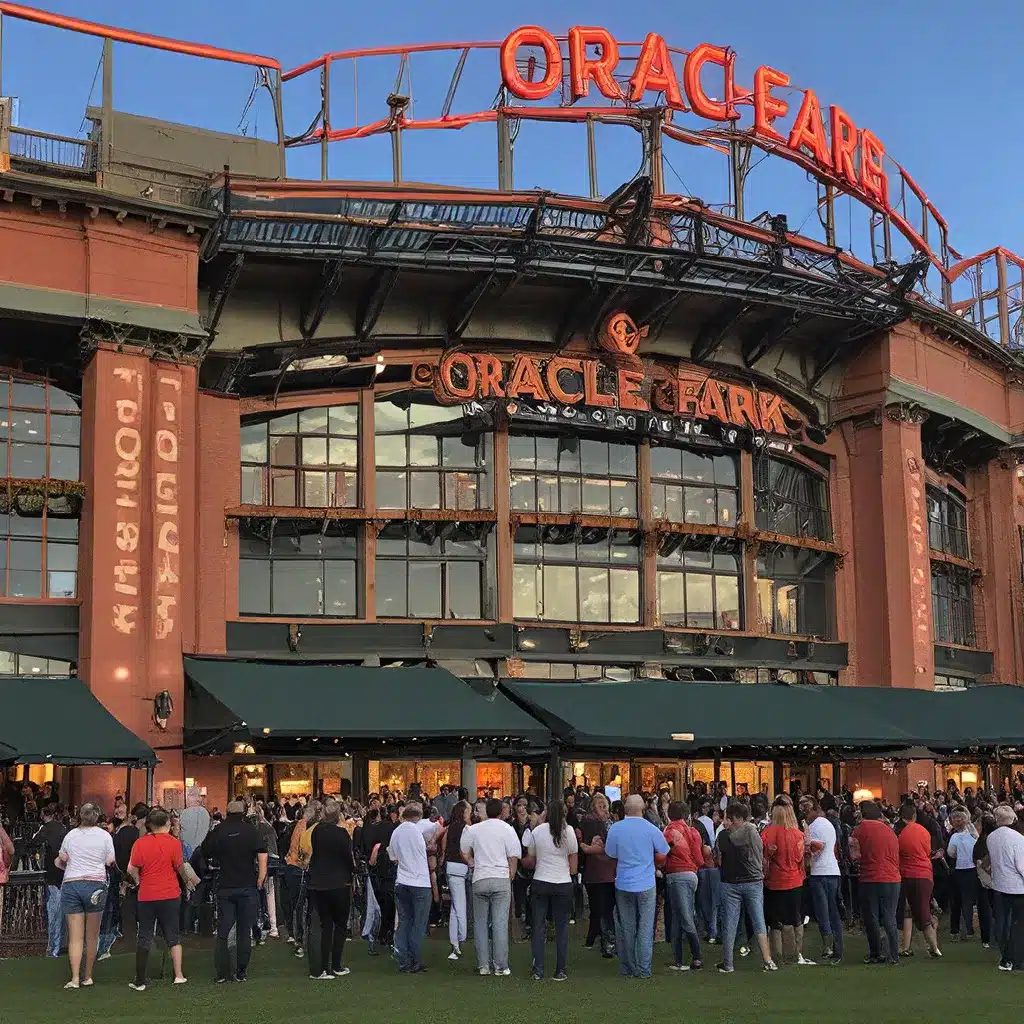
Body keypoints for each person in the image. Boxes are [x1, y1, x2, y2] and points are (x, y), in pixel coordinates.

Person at [196, 799, 268, 983]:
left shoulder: (218, 831)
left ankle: (222, 973)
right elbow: (262, 854)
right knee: (244, 931)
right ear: (243, 813)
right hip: (247, 885)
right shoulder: (251, 831)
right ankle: (241, 971)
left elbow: (204, 851)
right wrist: (261, 876)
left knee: (224, 929)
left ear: (227, 812)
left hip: (226, 886)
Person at [604, 793, 670, 979]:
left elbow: (610, 853)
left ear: (625, 809)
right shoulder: (650, 829)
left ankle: (628, 967)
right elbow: (664, 851)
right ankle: (643, 969)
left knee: (627, 927)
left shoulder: (616, 829)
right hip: (646, 882)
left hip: (624, 882)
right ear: (642, 808)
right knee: (645, 927)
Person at [126, 807, 190, 990]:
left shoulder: (140, 843)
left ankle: (140, 979)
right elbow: (179, 867)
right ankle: (178, 975)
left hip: (146, 894)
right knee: (173, 934)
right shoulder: (174, 843)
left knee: (145, 934)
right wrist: (187, 883)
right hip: (170, 893)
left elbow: (131, 868)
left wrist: (139, 880)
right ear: (168, 824)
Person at [55, 803, 116, 989]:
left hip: (72, 883)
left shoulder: (70, 835)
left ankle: (74, 978)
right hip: (95, 884)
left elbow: (61, 860)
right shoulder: (105, 836)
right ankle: (88, 976)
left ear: (80, 816)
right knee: (92, 934)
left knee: (75, 936)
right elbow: (110, 861)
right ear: (97, 817)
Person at [461, 797, 521, 977]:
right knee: (500, 923)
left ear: (486, 811)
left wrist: (472, 863)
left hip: (480, 877)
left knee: (480, 923)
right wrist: (510, 875)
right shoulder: (508, 829)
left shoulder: (474, 829)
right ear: (502, 811)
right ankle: (500, 966)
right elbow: (513, 856)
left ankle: (483, 965)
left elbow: (464, 850)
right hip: (500, 877)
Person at [714, 801, 777, 974]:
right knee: (759, 921)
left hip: (730, 883)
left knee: (730, 923)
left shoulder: (724, 836)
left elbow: (719, 859)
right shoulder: (753, 831)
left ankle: (728, 963)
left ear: (737, 819)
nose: (726, 822)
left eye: (729, 818)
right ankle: (768, 960)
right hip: (753, 881)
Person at [522, 800, 578, 981]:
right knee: (561, 928)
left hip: (541, 881)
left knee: (538, 927)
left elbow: (531, 859)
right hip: (562, 882)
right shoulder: (568, 831)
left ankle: (538, 969)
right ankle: (560, 969)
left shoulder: (538, 831)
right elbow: (573, 863)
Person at [306, 797, 355, 980]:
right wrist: (352, 873)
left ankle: (323, 968)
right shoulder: (341, 834)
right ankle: (335, 965)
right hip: (339, 883)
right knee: (340, 926)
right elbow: (347, 858)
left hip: (319, 883)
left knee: (325, 926)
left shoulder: (317, 831)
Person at [761, 796, 813, 966]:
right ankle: (795, 954)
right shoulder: (798, 835)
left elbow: (762, 858)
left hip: (774, 882)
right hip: (795, 881)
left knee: (775, 922)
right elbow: (802, 860)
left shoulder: (767, 833)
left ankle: (778, 956)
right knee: (795, 920)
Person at [850, 800, 900, 965]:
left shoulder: (859, 830)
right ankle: (893, 954)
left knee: (871, 917)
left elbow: (854, 856)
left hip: (870, 877)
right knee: (889, 917)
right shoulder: (889, 830)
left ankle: (876, 953)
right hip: (892, 878)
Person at [662, 800, 706, 971]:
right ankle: (679, 959)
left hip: (677, 874)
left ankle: (696, 957)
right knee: (679, 917)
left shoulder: (670, 831)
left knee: (683, 917)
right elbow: (699, 858)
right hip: (691, 874)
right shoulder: (693, 831)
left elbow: (663, 852)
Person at [388, 802, 431, 973]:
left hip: (402, 880)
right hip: (420, 882)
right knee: (418, 924)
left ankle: (404, 960)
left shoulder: (396, 832)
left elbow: (393, 856)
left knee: (405, 921)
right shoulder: (418, 830)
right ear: (418, 817)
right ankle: (416, 959)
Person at [801, 794, 844, 964]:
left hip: (821, 873)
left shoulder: (816, 826)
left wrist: (804, 846)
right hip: (831, 870)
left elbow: (817, 848)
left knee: (824, 912)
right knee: (831, 912)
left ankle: (830, 947)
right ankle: (835, 948)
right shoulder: (827, 823)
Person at [896, 801, 941, 958]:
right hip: (924, 874)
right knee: (923, 911)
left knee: (909, 912)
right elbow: (928, 851)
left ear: (902, 817)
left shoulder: (901, 834)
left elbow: (899, 853)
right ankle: (932, 947)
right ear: (915, 815)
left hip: (907, 874)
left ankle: (911, 946)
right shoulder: (924, 831)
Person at [986, 804, 1024, 971]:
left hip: (999, 885)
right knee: (1018, 924)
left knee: (1002, 922)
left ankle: (1005, 958)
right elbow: (1021, 866)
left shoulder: (991, 837)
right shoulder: (1018, 838)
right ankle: (1016, 960)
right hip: (1017, 887)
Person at [579, 792, 616, 958]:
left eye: (605, 806)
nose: (604, 809)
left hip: (596, 871)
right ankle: (606, 943)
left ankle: (592, 938)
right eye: (600, 806)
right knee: (603, 908)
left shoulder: (600, 823)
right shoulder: (595, 823)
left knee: (597, 907)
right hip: (602, 871)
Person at [439, 800, 471, 961]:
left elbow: (443, 846)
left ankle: (455, 943)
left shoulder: (449, 828)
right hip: (460, 867)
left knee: (455, 908)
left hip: (451, 867)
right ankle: (461, 937)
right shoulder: (466, 829)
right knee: (460, 906)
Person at [34, 804, 67, 958]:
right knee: (62, 908)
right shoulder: (63, 828)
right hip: (64, 872)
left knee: (54, 909)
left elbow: (33, 843)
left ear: (43, 814)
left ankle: (53, 947)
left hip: (52, 873)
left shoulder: (44, 829)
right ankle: (61, 944)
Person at [947, 808, 980, 942]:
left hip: (959, 870)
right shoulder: (974, 835)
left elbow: (950, 853)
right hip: (972, 870)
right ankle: (970, 929)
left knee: (956, 902)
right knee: (968, 901)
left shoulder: (954, 837)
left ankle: (954, 930)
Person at [179, 788, 211, 856]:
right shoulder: (205, 812)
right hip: (201, 848)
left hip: (187, 848)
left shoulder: (185, 812)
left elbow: (182, 829)